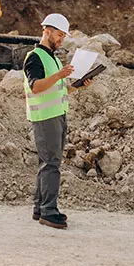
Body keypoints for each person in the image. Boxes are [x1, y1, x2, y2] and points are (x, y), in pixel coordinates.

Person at [23, 13, 92, 229]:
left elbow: (57, 88)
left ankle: (39, 207)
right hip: (45, 117)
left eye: (63, 36)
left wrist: (77, 86)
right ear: (47, 31)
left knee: (47, 162)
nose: (61, 39)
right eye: (59, 35)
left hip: (57, 114)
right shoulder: (35, 57)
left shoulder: (52, 57)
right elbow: (36, 86)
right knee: (51, 163)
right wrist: (60, 75)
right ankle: (49, 212)